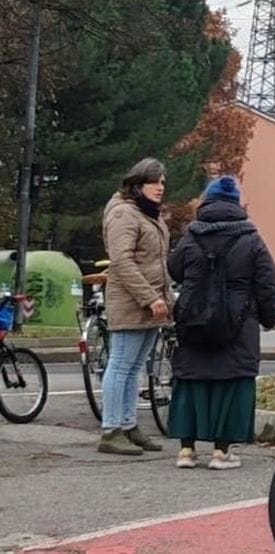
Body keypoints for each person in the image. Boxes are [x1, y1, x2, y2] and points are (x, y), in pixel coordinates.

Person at [166, 177, 275, 470]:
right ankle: (221, 452)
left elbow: (174, 268)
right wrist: (267, 318)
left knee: (190, 379)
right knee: (232, 380)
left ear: (207, 201)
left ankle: (186, 451)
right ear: (236, 203)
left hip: (193, 317)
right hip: (238, 321)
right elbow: (267, 281)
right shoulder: (251, 238)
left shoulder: (192, 235)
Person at [97, 158, 172, 455]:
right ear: (138, 183)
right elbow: (122, 261)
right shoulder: (124, 214)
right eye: (154, 182)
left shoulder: (149, 214)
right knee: (121, 365)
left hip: (152, 304)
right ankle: (111, 429)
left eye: (163, 182)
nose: (160, 187)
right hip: (132, 302)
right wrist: (149, 297)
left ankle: (128, 425)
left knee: (135, 368)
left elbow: (158, 262)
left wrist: (165, 299)